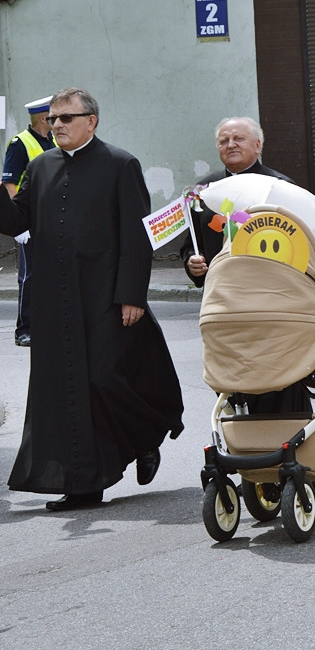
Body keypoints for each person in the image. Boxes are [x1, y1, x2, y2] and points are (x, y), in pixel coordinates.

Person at [0, 87, 184, 510]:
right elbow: (16, 219)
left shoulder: (120, 164)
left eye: (66, 118)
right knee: (65, 390)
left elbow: (137, 236)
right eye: (52, 119)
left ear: (91, 121)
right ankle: (83, 486)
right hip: (54, 299)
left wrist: (132, 294)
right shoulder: (40, 166)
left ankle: (144, 437)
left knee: (104, 379)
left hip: (104, 294)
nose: (57, 125)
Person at [180, 117, 294, 288]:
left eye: (238, 138)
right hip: (220, 288)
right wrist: (193, 262)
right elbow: (192, 244)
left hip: (271, 286)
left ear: (257, 145)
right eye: (224, 141)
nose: (231, 144)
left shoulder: (281, 187)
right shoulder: (204, 190)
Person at [2, 95, 55, 347]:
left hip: (53, 218)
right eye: (54, 117)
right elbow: (9, 182)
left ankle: (47, 325)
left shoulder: (54, 140)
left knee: (52, 273)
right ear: (44, 118)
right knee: (30, 275)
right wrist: (19, 221)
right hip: (29, 221)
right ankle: (24, 330)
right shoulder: (19, 143)